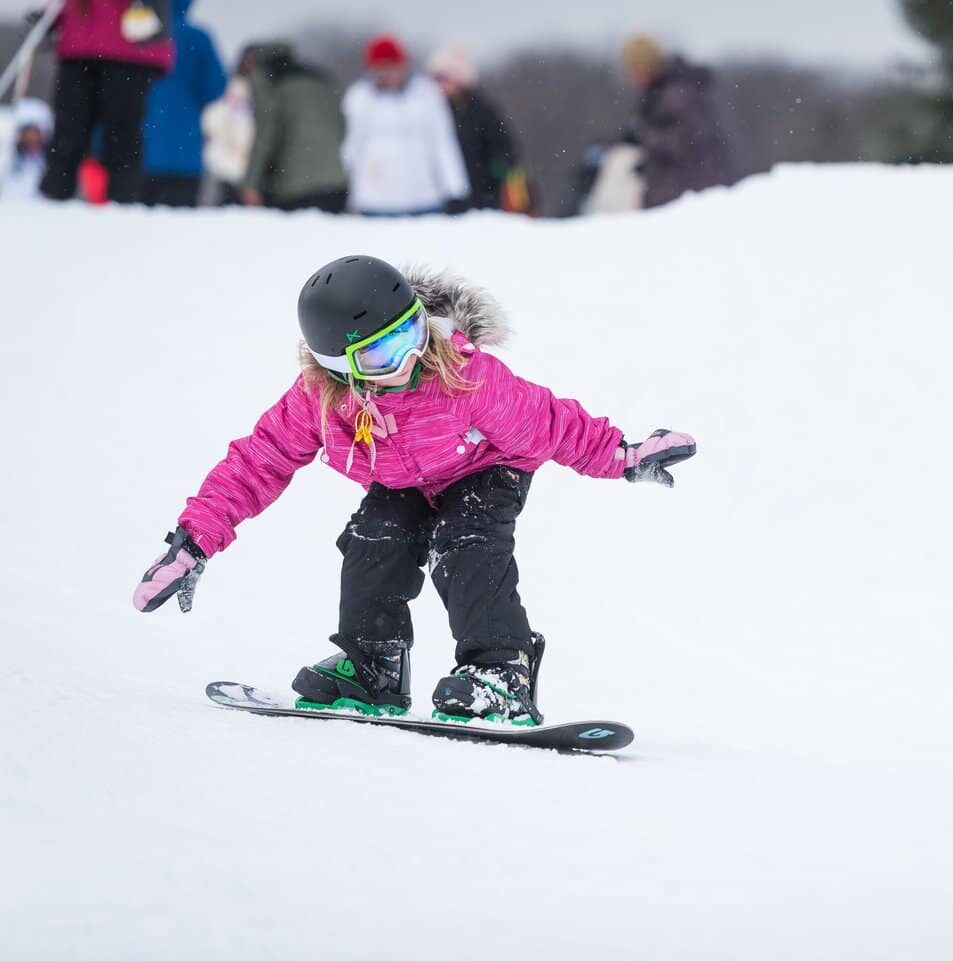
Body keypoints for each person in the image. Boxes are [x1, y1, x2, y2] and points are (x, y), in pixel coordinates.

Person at [133, 256, 696, 724]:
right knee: (373, 538)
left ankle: (501, 670)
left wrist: (623, 457)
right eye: (382, 354)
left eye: (412, 332)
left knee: (467, 542)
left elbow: (551, 423)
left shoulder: (464, 375)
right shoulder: (318, 399)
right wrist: (194, 542)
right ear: (338, 367)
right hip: (401, 479)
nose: (408, 359)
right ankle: (373, 663)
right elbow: (258, 461)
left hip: (485, 467)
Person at [40, 0, 173, 204]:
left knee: (119, 134)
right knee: (68, 131)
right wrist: (49, 18)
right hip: (82, 43)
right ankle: (54, 200)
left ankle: (121, 204)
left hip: (129, 46)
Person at [342, 34, 469, 216]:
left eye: (391, 67)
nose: (386, 74)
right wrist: (346, 192)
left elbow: (442, 142)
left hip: (423, 198)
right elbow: (352, 147)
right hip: (374, 200)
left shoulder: (426, 94)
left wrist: (456, 189)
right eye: (380, 68)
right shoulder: (359, 98)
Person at [621, 34, 732, 209]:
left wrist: (646, 138)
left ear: (647, 66)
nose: (632, 77)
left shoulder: (677, 95)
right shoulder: (665, 92)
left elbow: (688, 140)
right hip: (681, 191)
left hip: (688, 195)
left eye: (634, 69)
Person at [238, 43, 347, 212]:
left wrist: (251, 184)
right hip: (336, 184)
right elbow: (342, 128)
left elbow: (265, 135)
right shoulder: (320, 78)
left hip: (294, 188)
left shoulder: (267, 80)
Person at [141, 0, 226, 207]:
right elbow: (216, 87)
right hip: (184, 155)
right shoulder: (198, 38)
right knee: (177, 233)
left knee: (132, 232)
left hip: (138, 152)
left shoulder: (138, 34)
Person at [426, 42, 529, 212]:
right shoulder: (429, 111)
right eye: (434, 78)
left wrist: (497, 170)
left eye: (443, 78)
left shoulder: (481, 111)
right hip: (440, 198)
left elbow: (506, 149)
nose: (438, 85)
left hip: (481, 198)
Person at [201, 44, 256, 205]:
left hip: (253, 174)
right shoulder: (229, 88)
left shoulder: (265, 93)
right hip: (225, 169)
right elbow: (212, 122)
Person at [0, 97, 52, 201]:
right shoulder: (8, 157)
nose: (31, 137)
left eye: (35, 132)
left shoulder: (48, 160)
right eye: (27, 132)